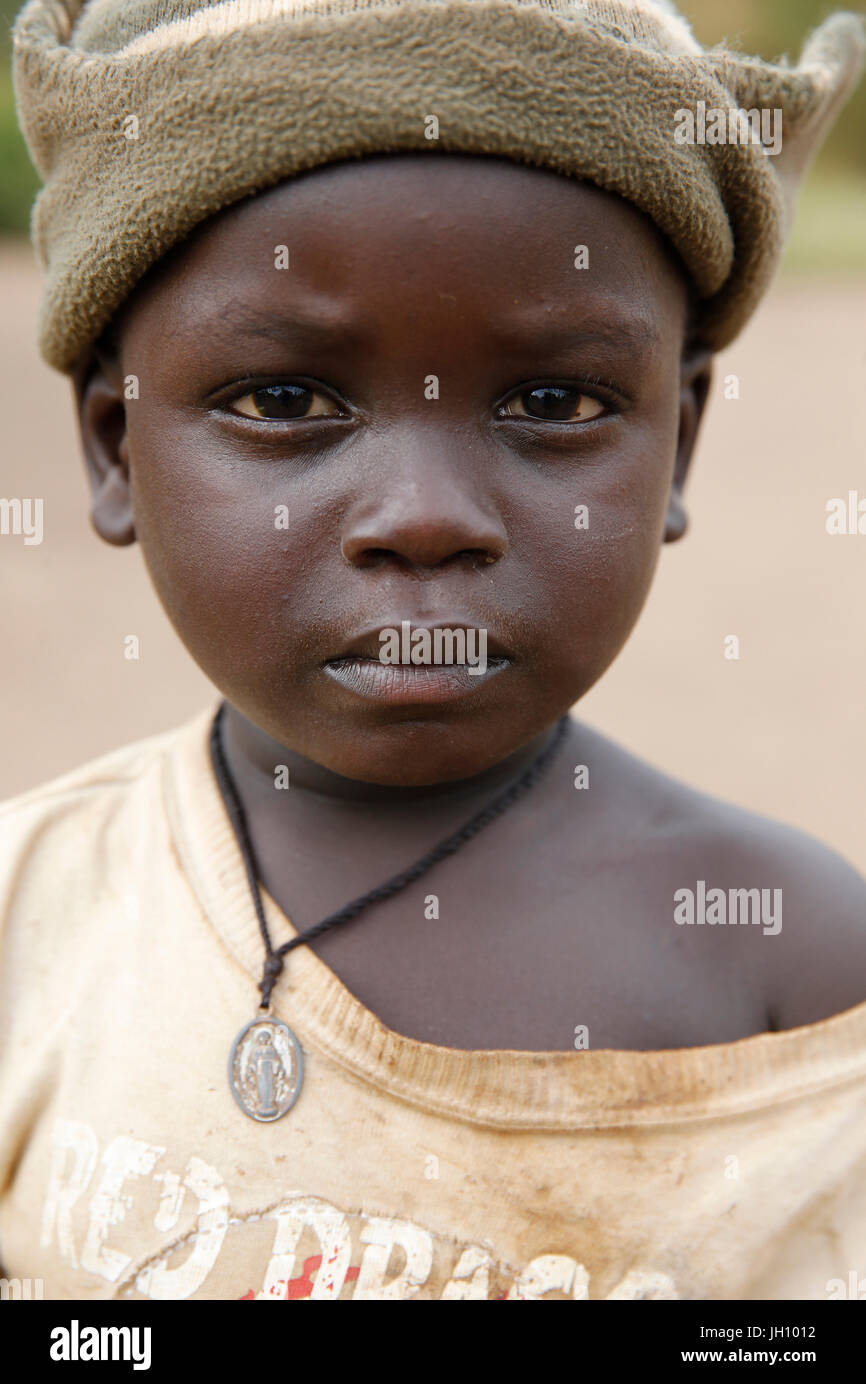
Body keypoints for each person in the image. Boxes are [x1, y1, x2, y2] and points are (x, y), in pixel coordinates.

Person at [1, 0, 865, 1301]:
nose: (427, 515)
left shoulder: (792, 967)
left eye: (553, 401)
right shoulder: (28, 917)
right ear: (116, 448)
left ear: (675, 444)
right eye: (285, 401)